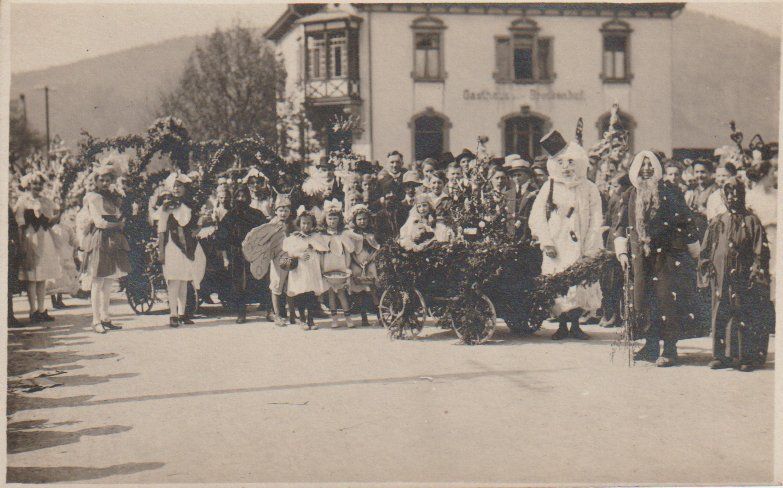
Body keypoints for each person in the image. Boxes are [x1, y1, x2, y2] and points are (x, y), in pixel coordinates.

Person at [613, 150, 702, 366]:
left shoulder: (670, 192)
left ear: (657, 168)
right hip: (640, 259)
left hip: (667, 257)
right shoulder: (630, 194)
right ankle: (651, 345)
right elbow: (621, 225)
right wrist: (622, 252)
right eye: (642, 166)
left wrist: (692, 250)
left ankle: (670, 348)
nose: (646, 170)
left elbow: (686, 221)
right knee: (643, 299)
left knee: (666, 300)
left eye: (650, 165)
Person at [529, 130, 603, 340]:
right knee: (558, 283)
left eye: (571, 162)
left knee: (579, 284)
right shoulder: (549, 186)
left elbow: (596, 218)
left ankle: (576, 325)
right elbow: (537, 216)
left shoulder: (589, 188)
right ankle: (562, 324)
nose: (566, 167)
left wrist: (591, 246)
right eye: (561, 163)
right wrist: (546, 242)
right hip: (557, 245)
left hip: (582, 244)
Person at [698, 180, 773, 372]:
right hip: (720, 276)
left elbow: (760, 251)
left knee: (743, 311)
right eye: (729, 193)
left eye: (737, 193)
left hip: (743, 275)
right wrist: (707, 269)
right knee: (721, 310)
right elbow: (706, 249)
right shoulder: (717, 221)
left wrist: (755, 271)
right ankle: (720, 356)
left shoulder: (751, 221)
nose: (733, 197)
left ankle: (744, 357)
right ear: (724, 196)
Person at [80, 163, 130, 333]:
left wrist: (121, 219)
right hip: (101, 238)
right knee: (98, 280)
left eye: (108, 180)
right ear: (96, 181)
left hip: (113, 238)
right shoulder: (93, 197)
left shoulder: (113, 197)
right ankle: (96, 320)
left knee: (109, 281)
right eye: (101, 180)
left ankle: (105, 317)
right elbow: (99, 222)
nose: (105, 183)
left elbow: (117, 215)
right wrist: (117, 225)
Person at [157, 173, 207, 327]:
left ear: (185, 188)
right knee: (174, 280)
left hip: (187, 245)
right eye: (174, 186)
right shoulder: (167, 206)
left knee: (184, 280)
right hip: (172, 245)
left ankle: (182, 313)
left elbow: (195, 223)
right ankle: (173, 314)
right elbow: (161, 229)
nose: (176, 189)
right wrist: (161, 250)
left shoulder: (190, 205)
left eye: (180, 186)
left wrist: (198, 228)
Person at [14, 172, 62, 324]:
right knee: (32, 278)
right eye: (35, 183)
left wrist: (57, 215)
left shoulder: (46, 201)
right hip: (30, 238)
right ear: (29, 185)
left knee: (42, 277)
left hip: (44, 238)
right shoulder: (23, 201)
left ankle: (41, 310)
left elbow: (50, 221)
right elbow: (20, 224)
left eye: (40, 184)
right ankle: (33, 310)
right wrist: (21, 244)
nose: (38, 186)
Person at [216, 185, 266, 324]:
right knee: (239, 283)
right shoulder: (230, 216)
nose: (240, 199)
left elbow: (264, 232)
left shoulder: (256, 214)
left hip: (254, 252)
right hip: (236, 253)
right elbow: (222, 238)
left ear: (248, 198)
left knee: (258, 279)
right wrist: (225, 258)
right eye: (238, 196)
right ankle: (241, 312)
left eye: (243, 196)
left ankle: (268, 310)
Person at [283, 208, 329, 330]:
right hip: (300, 268)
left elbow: (324, 248)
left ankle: (311, 319)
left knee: (311, 293)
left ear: (313, 224)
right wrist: (299, 254)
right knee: (301, 292)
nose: (306, 226)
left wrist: (313, 245)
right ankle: (302, 319)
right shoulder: (295, 237)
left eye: (309, 223)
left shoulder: (316, 236)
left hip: (312, 267)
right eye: (303, 223)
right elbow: (289, 251)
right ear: (299, 223)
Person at [599, 172, 632, 328]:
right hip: (611, 243)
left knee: (621, 281)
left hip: (623, 243)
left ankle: (619, 315)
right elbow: (607, 218)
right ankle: (610, 313)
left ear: (625, 186)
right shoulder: (613, 199)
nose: (613, 188)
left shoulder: (628, 199)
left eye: (616, 185)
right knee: (610, 281)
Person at [745, 159, 777, 301]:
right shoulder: (750, 197)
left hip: (777, 240)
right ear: (763, 175)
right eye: (772, 173)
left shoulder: (777, 194)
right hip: (759, 242)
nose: (775, 176)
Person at [321, 199, 355, 328]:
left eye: (335, 218)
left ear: (339, 219)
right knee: (331, 295)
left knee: (341, 294)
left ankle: (348, 318)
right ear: (325, 219)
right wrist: (321, 268)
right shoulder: (322, 236)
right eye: (330, 218)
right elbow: (320, 254)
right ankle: (334, 319)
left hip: (340, 267)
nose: (332, 221)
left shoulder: (343, 234)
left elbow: (349, 251)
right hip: (328, 268)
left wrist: (347, 267)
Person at [348, 204, 381, 327]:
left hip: (370, 262)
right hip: (357, 262)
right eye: (359, 219)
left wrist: (369, 260)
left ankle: (380, 316)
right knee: (360, 290)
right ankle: (364, 317)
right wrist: (357, 262)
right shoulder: (352, 234)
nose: (362, 221)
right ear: (355, 220)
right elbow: (351, 251)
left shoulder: (372, 233)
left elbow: (376, 249)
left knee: (373, 289)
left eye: (364, 219)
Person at [504, 154, 538, 241]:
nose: (516, 178)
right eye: (514, 175)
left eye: (519, 175)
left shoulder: (534, 192)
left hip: (528, 236)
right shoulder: (507, 194)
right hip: (510, 236)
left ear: (527, 175)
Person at [684, 159, 717, 238]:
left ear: (710, 173)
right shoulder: (694, 190)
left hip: (710, 232)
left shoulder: (715, 190)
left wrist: (705, 211)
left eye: (703, 172)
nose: (699, 175)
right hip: (695, 231)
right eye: (697, 172)